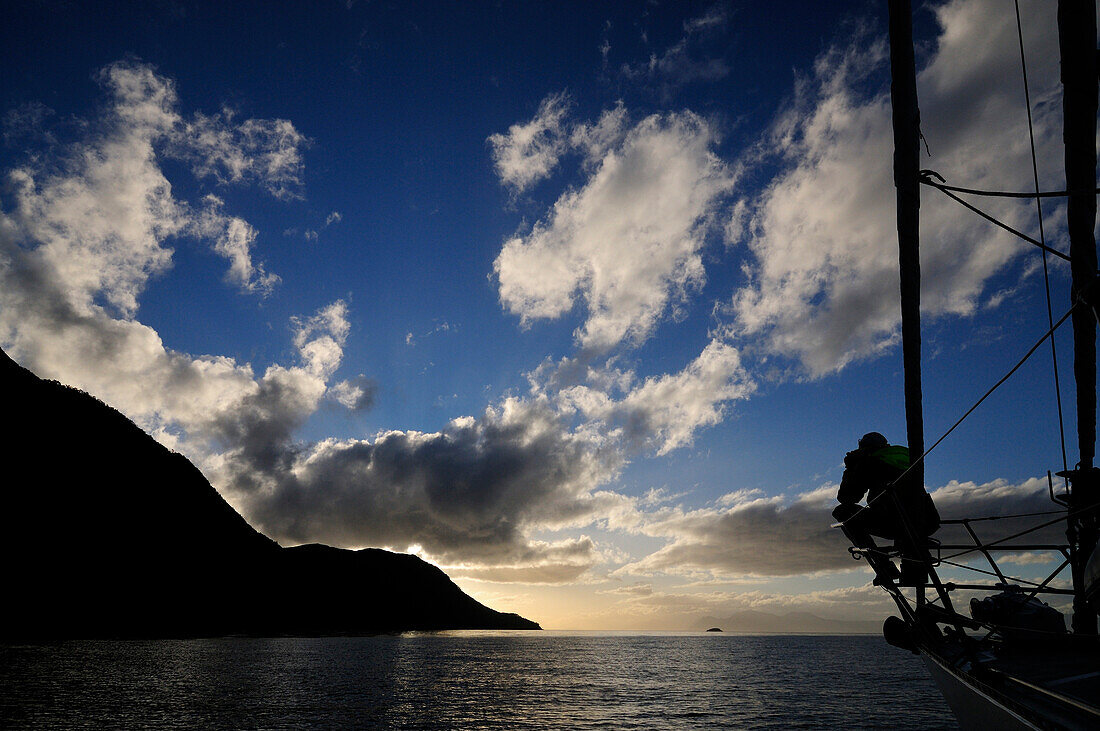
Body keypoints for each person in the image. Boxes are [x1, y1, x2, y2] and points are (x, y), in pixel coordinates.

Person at [832, 432, 940, 585]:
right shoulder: (906, 457)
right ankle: (915, 570)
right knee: (904, 520)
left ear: (865, 448)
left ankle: (883, 566)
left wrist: (851, 467)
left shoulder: (870, 462)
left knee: (843, 512)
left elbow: (846, 498)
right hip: (927, 521)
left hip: (896, 522)